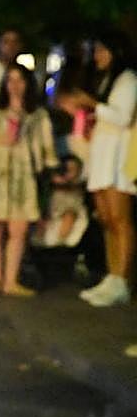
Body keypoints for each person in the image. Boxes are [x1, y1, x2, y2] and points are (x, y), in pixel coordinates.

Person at [61, 31, 137, 307]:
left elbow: (122, 116)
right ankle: (111, 274)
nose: (98, 56)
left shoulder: (128, 80)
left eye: (103, 51)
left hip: (118, 160)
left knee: (120, 219)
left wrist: (92, 104)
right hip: (101, 157)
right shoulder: (106, 80)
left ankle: (122, 278)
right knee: (106, 218)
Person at [0, 63, 57, 297]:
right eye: (10, 79)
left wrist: (50, 175)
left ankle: (10, 280)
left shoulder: (37, 115)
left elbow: (47, 151)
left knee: (18, 229)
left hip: (23, 177)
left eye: (20, 80)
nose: (15, 85)